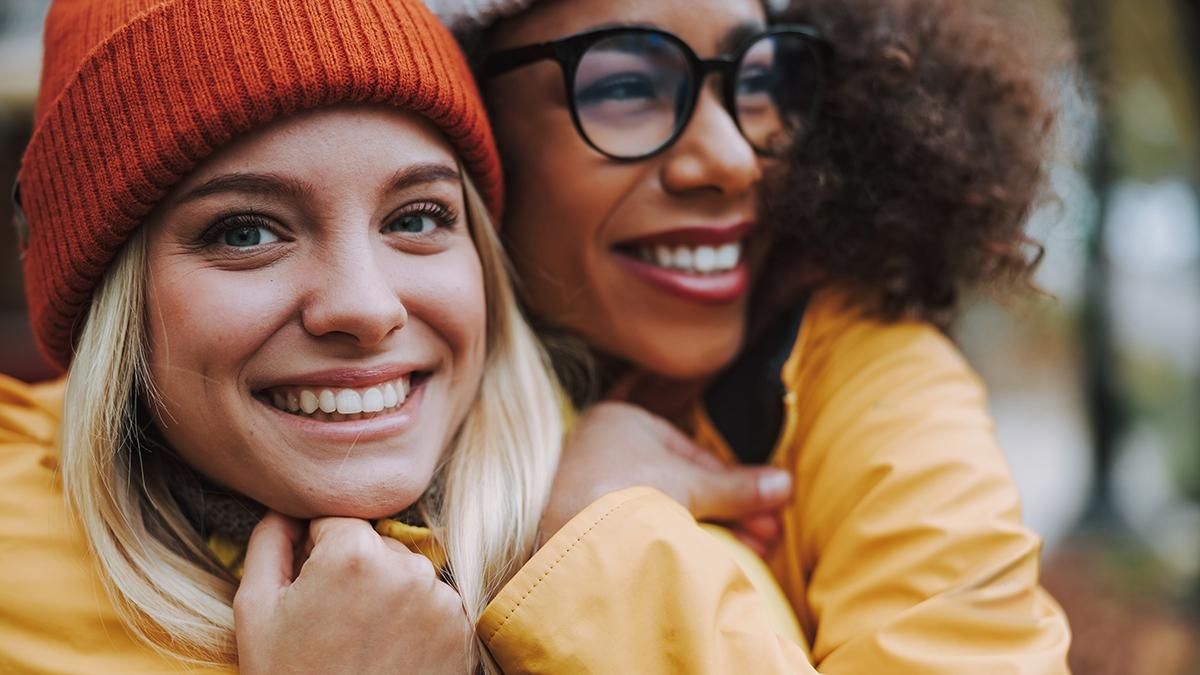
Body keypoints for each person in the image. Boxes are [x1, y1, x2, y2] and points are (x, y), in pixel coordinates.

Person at [0, 0, 806, 672]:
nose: (367, 305)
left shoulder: (646, 545)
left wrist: (589, 552)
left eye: (417, 217)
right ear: (112, 300)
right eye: (245, 232)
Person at [415, 0, 1075, 671]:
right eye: (626, 87)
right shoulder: (359, 417)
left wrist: (597, 535)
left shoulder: (880, 384)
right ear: (470, 123)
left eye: (756, 82)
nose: (733, 159)